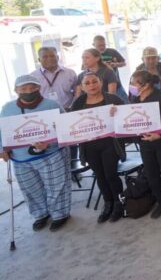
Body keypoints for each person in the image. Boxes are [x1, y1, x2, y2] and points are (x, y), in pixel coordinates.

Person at [0, 75, 71, 232]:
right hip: (20, 157)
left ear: (39, 88)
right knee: (30, 188)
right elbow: (2, 130)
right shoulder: (7, 108)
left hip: (51, 154)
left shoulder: (52, 105)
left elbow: (65, 127)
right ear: (16, 90)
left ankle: (60, 214)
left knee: (56, 185)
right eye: (23, 89)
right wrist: (2, 148)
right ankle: (41, 214)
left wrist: (50, 141)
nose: (28, 91)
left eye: (32, 87)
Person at [71, 72, 126, 223]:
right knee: (99, 175)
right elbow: (71, 124)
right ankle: (108, 204)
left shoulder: (114, 99)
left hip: (110, 144)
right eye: (87, 83)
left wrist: (118, 113)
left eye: (94, 81)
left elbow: (126, 119)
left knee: (111, 174)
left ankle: (119, 203)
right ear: (82, 87)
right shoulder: (77, 104)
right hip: (89, 146)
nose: (91, 85)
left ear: (101, 82)